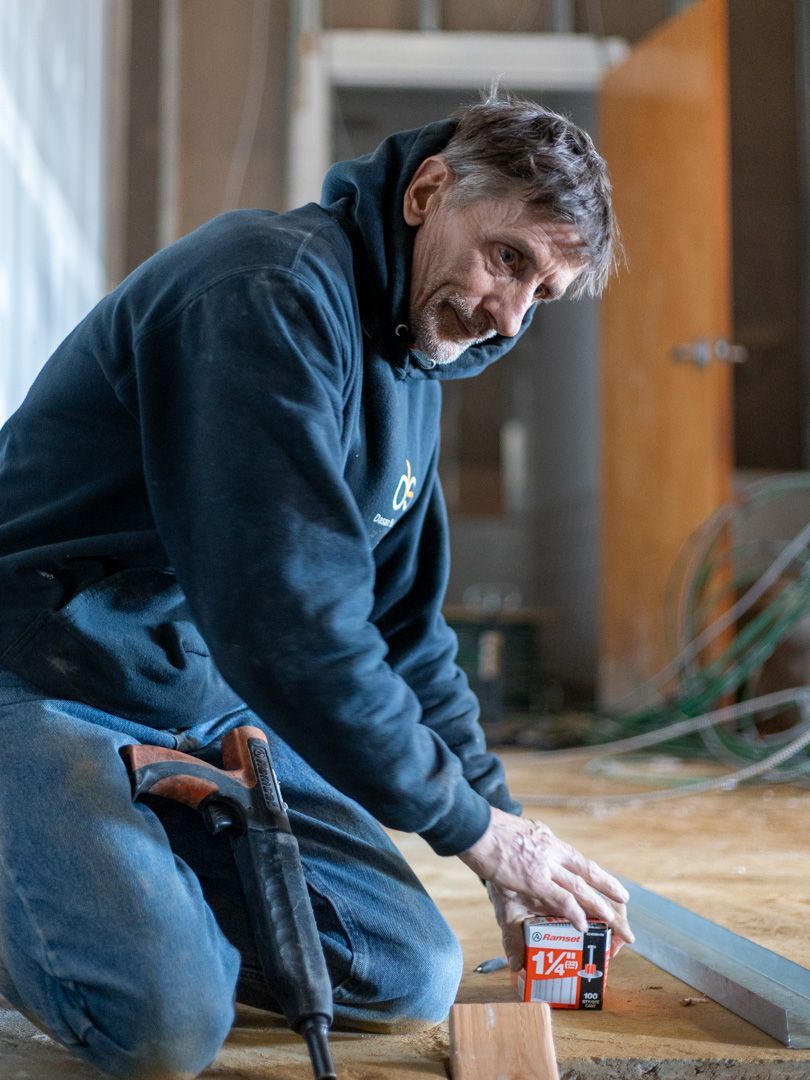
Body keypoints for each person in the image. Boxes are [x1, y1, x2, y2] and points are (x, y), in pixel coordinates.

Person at [0, 90, 632, 1078]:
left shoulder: (414, 361)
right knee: (163, 1024)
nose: (509, 316)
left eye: (541, 293)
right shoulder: (265, 292)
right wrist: (469, 831)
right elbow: (287, 620)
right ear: (429, 191)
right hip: (36, 673)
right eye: (508, 257)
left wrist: (502, 827)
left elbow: (407, 634)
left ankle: (85, 872)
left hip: (182, 693)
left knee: (404, 968)